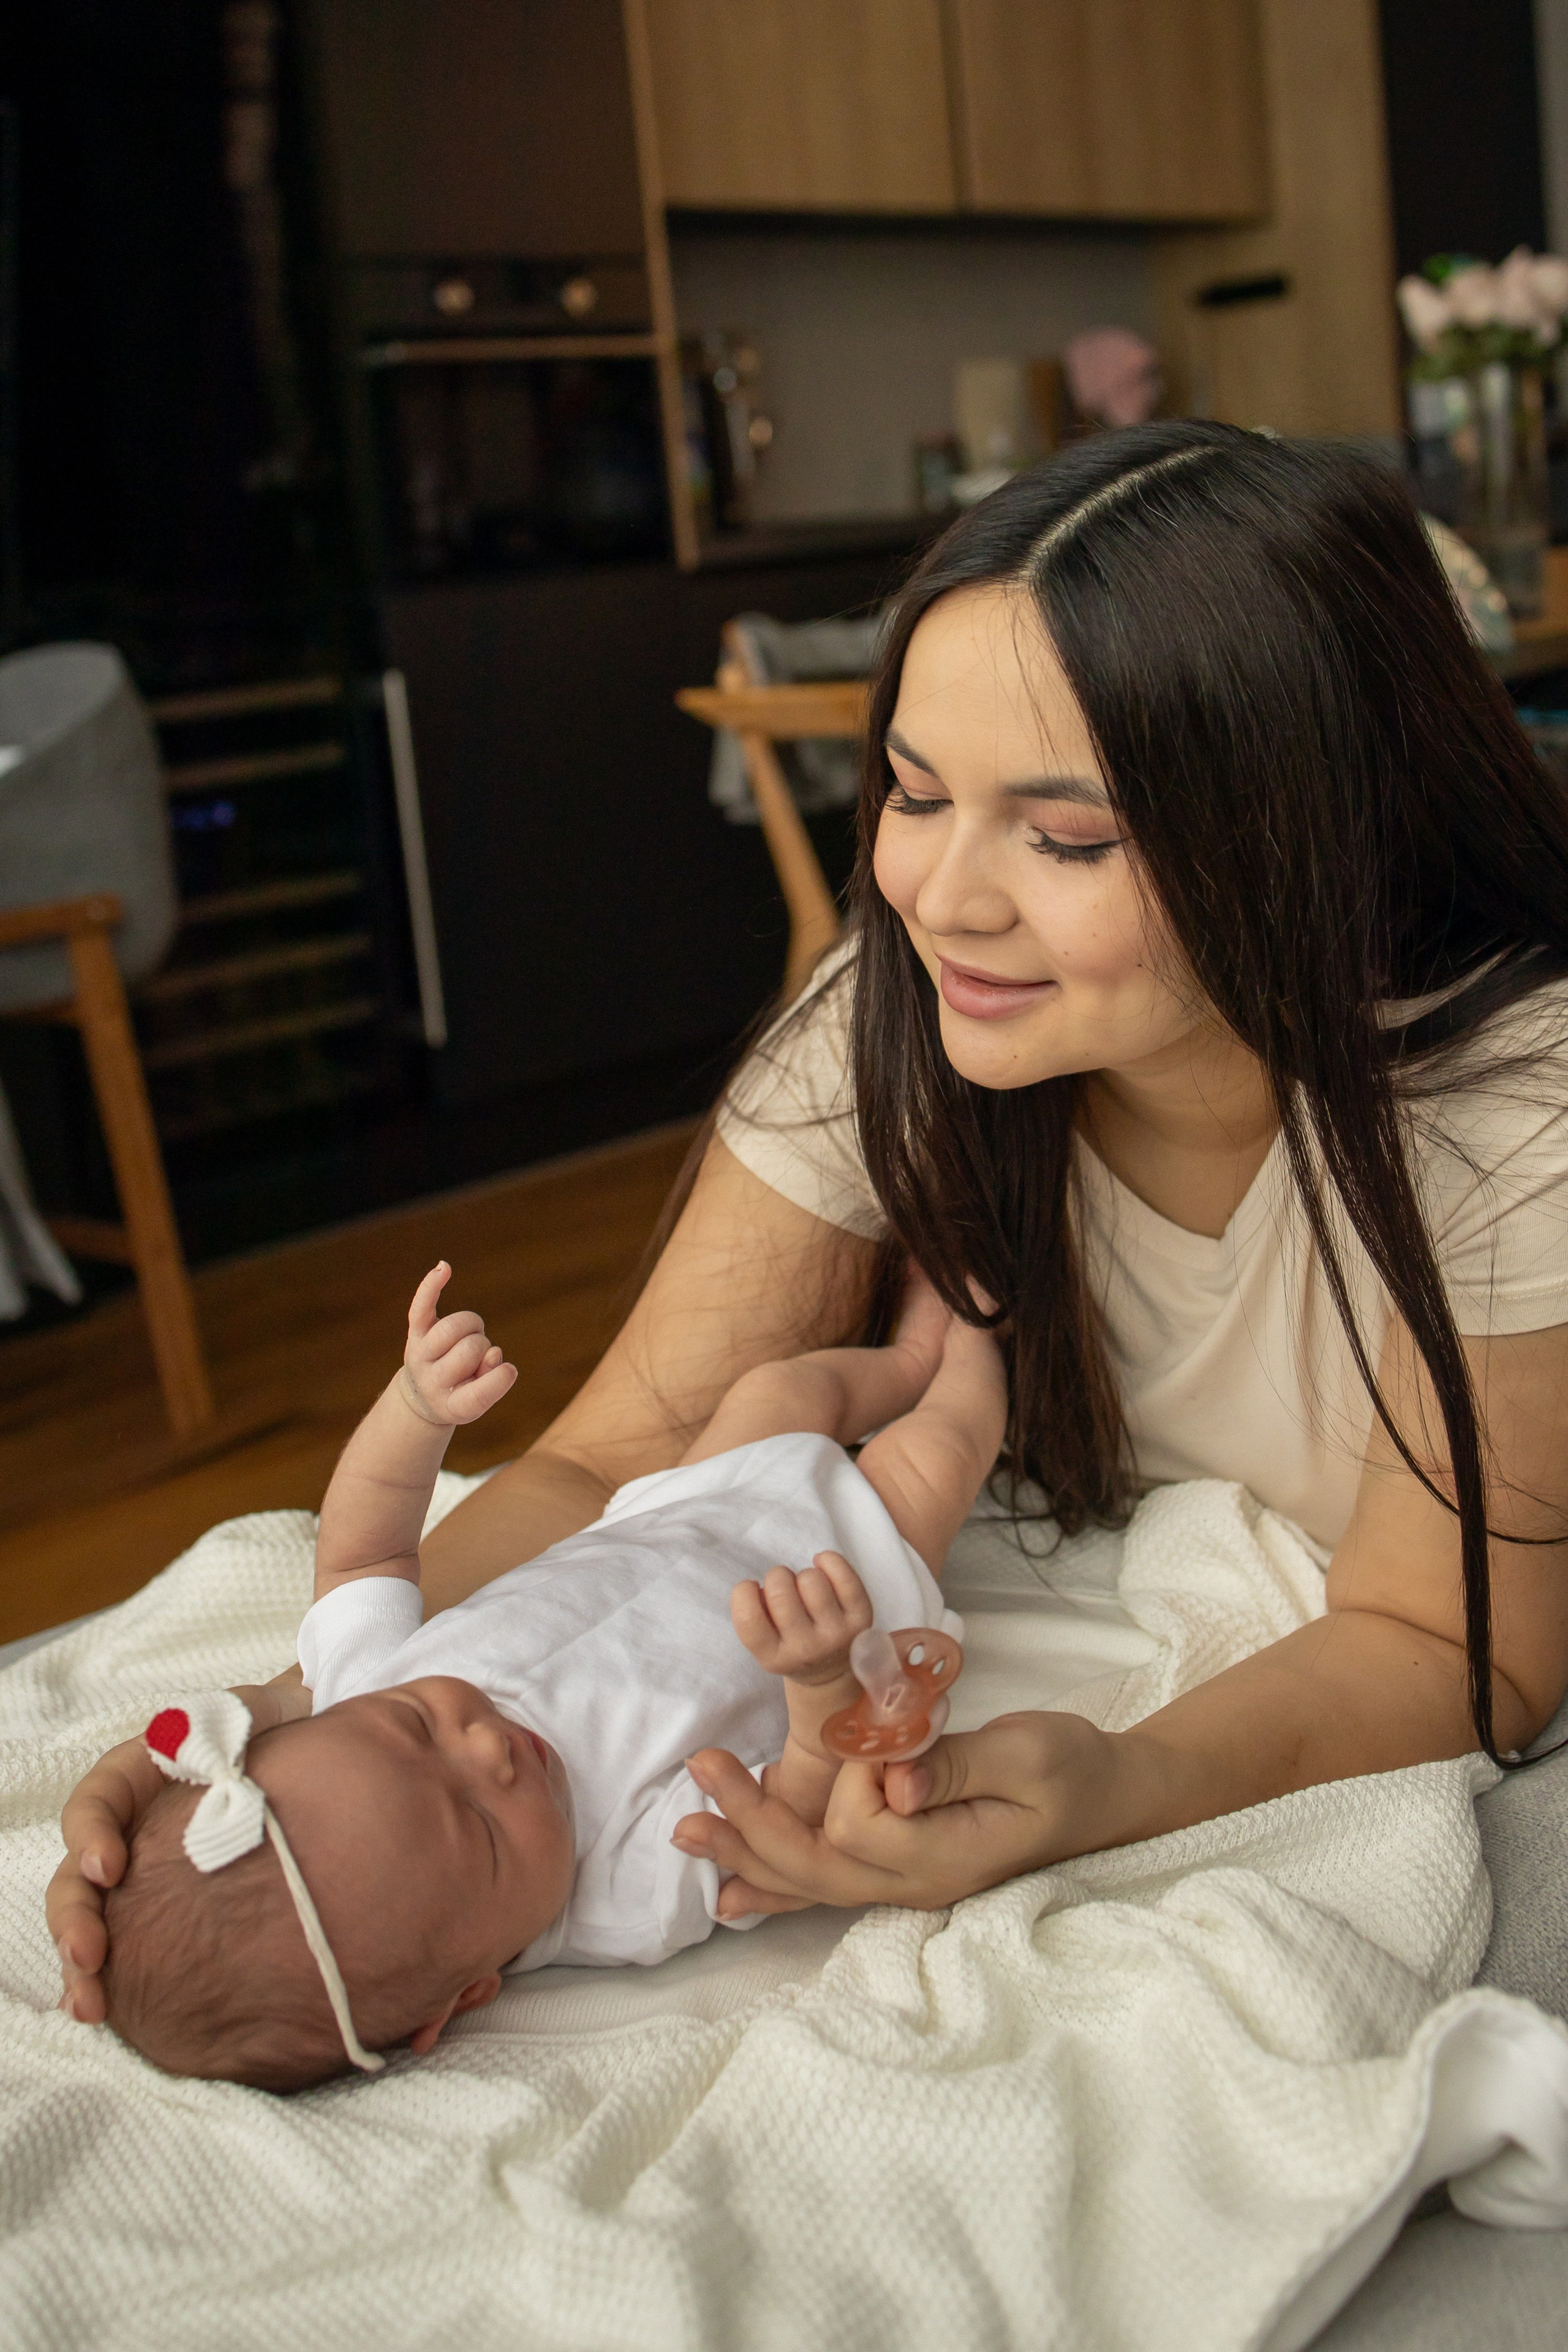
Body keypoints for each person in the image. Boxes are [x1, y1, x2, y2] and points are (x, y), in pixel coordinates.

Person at [51, 420, 1568, 2004]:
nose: (944, 898)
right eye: (912, 795)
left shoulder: (1509, 1102)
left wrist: (1109, 1786)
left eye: (1066, 837)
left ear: (1309, 827)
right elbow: (617, 1452)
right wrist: (294, 1744)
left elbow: (1452, 1641)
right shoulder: (896, 1014)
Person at [97, 1261, 1003, 2087]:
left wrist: (414, 1412)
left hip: (682, 1502)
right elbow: (787, 1814)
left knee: (781, 1389)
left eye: (418, 1726)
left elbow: (362, 1552)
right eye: (482, 1825)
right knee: (942, 1451)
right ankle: (979, 1338)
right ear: (468, 1992)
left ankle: (912, 1347)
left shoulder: (353, 1696)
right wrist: (816, 1684)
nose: (484, 1748)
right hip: (842, 1581)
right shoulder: (625, 1894)